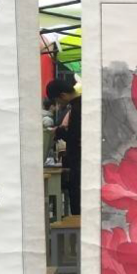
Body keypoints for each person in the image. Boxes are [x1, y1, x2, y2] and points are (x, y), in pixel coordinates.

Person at [45, 76, 81, 217]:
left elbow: (75, 135)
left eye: (57, 100)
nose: (58, 104)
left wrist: (58, 132)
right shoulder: (79, 104)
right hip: (78, 160)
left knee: (77, 199)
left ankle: (77, 224)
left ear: (63, 95)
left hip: (78, 161)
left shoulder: (77, 108)